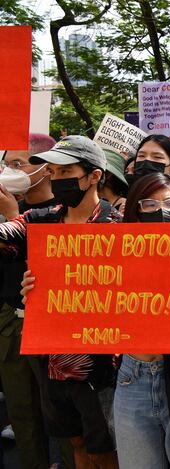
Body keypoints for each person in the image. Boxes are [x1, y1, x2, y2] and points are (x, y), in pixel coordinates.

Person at [2, 136, 119, 468]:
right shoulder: (41, 220)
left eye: (66, 170)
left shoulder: (118, 226)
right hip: (54, 359)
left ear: (94, 175)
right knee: (77, 442)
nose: (57, 178)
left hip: (102, 364)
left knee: (105, 449)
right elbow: (6, 234)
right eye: (52, 170)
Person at [105, 173, 170, 468]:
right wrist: (40, 290)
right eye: (149, 204)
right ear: (135, 210)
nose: (161, 210)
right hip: (133, 376)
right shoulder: (114, 255)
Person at [0, 134, 71, 469]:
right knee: (23, 412)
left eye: (19, 164)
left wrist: (15, 217)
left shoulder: (62, 211)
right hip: (11, 320)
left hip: (52, 326)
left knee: (63, 414)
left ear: (47, 169)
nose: (10, 171)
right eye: (7, 164)